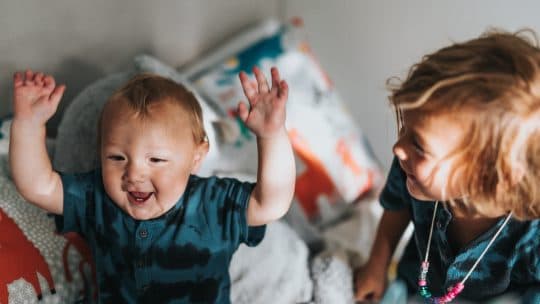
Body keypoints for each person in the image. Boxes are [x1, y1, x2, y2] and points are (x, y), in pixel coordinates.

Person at [9, 66, 295, 303]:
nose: (134, 173)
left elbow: (271, 203)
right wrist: (28, 125)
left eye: (156, 159)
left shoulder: (213, 204)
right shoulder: (96, 198)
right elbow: (38, 187)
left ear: (196, 157)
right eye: (117, 157)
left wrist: (271, 136)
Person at [354, 30, 540, 303]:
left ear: (489, 175)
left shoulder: (531, 238)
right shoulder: (413, 172)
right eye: (404, 127)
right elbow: (397, 207)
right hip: (416, 286)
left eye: (419, 144)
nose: (398, 148)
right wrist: (377, 266)